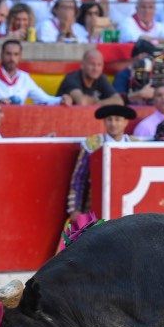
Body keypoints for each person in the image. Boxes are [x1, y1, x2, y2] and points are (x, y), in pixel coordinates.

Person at [63, 104, 138, 249]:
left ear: (126, 122)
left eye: (117, 120)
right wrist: (74, 209)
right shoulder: (93, 144)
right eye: (109, 120)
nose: (113, 124)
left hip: (128, 205)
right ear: (104, 122)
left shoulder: (135, 144)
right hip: (95, 204)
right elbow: (79, 178)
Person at [0, 39, 72, 105]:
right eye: (8, 54)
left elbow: (44, 99)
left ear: (20, 57)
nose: (12, 58)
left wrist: (61, 99)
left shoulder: (24, 78)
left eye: (16, 54)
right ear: (1, 55)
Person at [56, 49, 122, 106]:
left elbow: (119, 101)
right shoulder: (72, 78)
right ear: (82, 65)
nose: (96, 69)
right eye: (92, 64)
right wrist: (101, 101)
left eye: (99, 65)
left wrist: (98, 102)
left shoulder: (101, 78)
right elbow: (81, 102)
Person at [113, 38, 158, 106]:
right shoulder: (123, 75)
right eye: (150, 57)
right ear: (141, 56)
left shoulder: (155, 75)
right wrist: (140, 94)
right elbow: (115, 100)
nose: (153, 61)